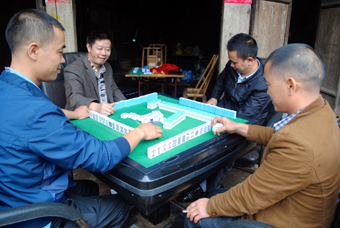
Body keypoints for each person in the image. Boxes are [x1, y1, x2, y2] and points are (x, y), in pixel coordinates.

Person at [0, 8, 162, 228]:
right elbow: (101, 157)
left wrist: (71, 114)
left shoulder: (8, 86)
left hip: (14, 195)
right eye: (59, 52)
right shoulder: (37, 112)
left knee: (90, 188)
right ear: (34, 51)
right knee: (122, 206)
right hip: (34, 214)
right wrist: (141, 131)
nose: (62, 60)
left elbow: (41, 115)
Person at [184, 43, 340, 228]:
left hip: (285, 219)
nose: (267, 91)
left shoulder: (298, 144)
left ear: (290, 85)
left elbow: (253, 195)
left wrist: (211, 207)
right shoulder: (322, 111)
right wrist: (237, 127)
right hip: (297, 206)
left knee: (195, 215)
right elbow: (277, 134)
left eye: (269, 84)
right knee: (213, 195)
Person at [178, 33, 270, 203]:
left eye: (235, 62)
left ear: (249, 60)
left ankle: (208, 189)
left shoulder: (262, 85)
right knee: (199, 135)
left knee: (224, 148)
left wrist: (229, 124)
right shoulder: (233, 65)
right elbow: (221, 81)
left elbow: (245, 117)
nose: (231, 64)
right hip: (224, 109)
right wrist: (213, 98)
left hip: (246, 121)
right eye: (231, 61)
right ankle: (194, 179)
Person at [64, 30, 125, 116]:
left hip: (107, 115)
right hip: (85, 118)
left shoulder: (107, 67)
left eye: (107, 49)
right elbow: (74, 98)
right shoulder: (73, 69)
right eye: (99, 49)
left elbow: (114, 90)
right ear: (89, 47)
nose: (104, 53)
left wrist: (126, 105)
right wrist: (96, 107)